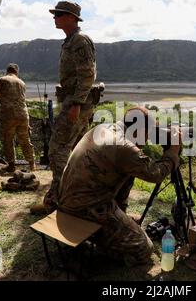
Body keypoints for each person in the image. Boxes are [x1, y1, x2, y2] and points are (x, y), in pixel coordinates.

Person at [56, 107, 181, 266]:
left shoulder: (102, 128)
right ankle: (103, 244)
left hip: (67, 201)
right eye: (147, 134)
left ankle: (115, 223)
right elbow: (155, 174)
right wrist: (173, 152)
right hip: (86, 209)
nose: (147, 140)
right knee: (144, 249)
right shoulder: (123, 146)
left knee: (128, 174)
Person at [41, 1, 97, 213]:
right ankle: (76, 195)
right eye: (55, 14)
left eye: (59, 14)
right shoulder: (70, 41)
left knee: (57, 149)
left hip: (76, 103)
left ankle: (57, 199)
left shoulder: (80, 40)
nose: (54, 17)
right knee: (77, 151)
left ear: (72, 17)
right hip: (74, 101)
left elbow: (87, 75)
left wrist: (76, 104)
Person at [0, 63, 35, 172]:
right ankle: (32, 163)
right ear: (16, 72)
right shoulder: (22, 83)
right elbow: (16, 98)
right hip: (23, 115)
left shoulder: (2, 80)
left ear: (7, 71)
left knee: (8, 140)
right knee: (25, 139)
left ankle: (11, 165)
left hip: (9, 115)